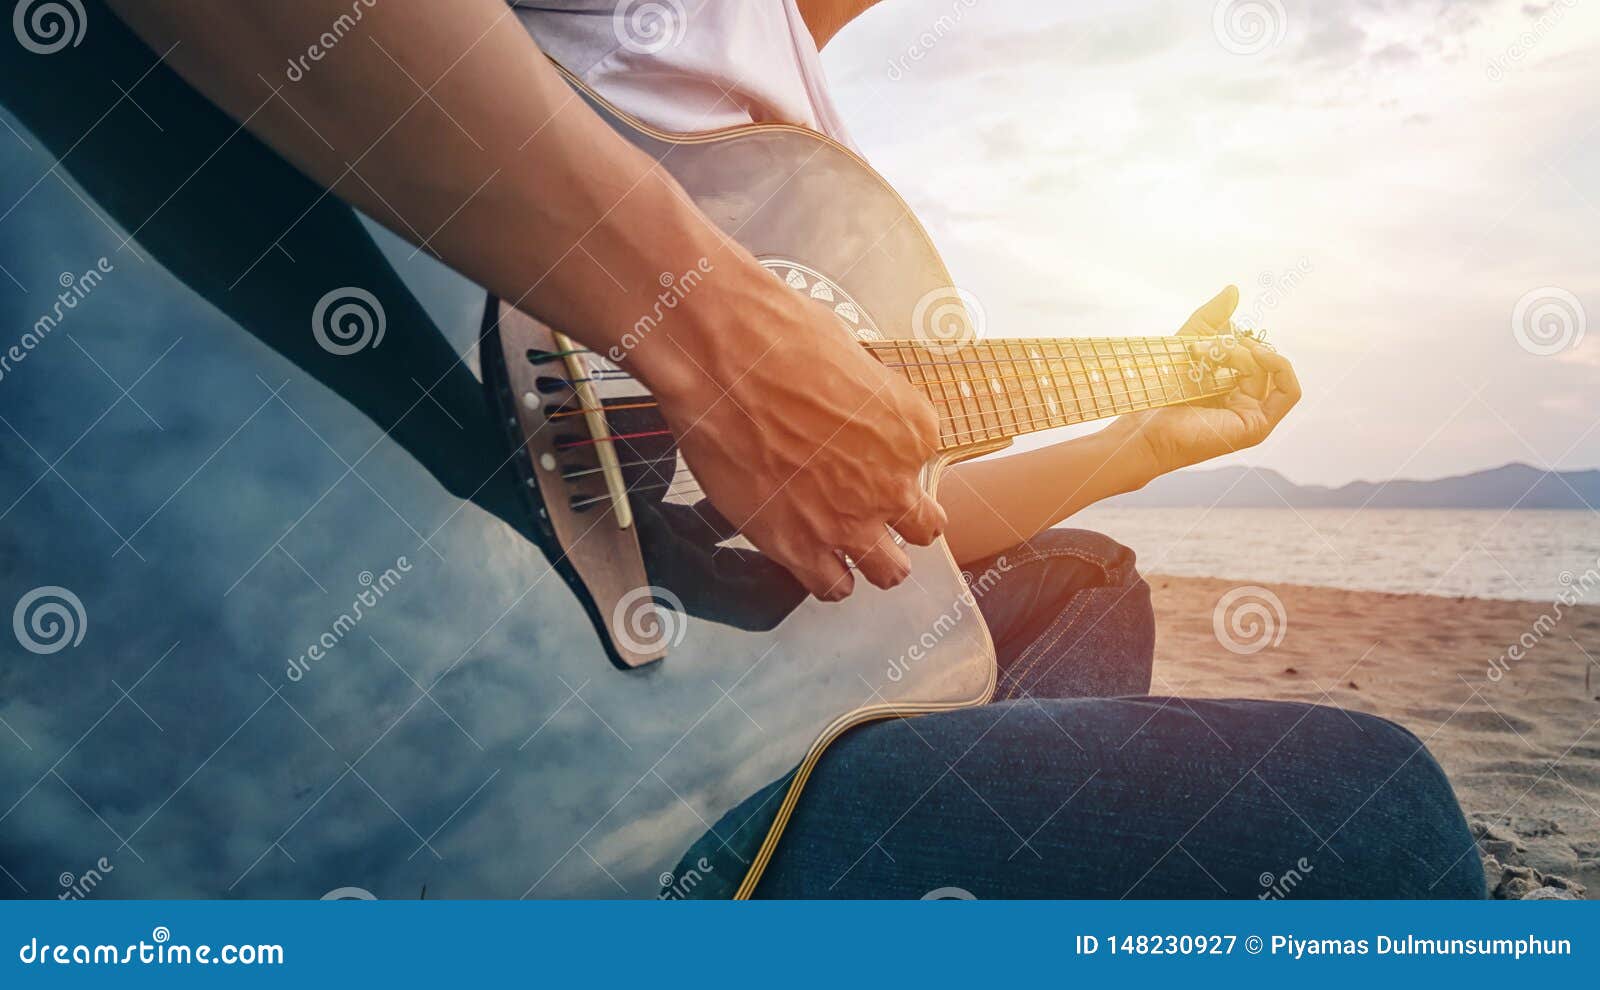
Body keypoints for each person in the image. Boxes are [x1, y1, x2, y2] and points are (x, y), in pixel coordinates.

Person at [3, 0, 1484, 897]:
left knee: (1083, 583)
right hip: (351, 703)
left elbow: (861, 546)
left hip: (648, 712)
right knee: (1378, 819)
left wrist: (1137, 439)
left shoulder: (796, 117)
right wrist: (705, 319)